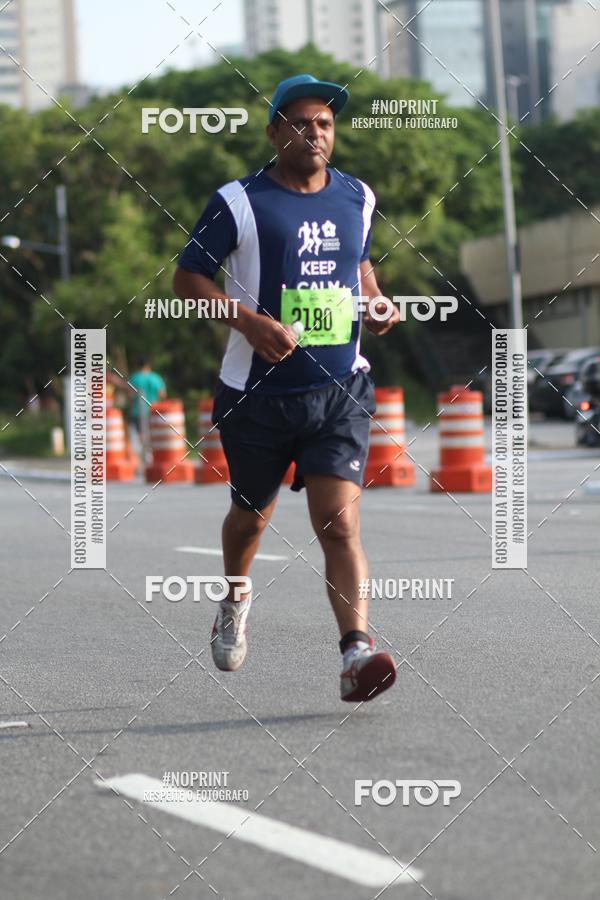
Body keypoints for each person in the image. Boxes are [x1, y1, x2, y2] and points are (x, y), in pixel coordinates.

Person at [173, 74, 400, 702]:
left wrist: (375, 301)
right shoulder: (238, 202)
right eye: (300, 122)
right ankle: (234, 599)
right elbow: (188, 279)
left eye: (324, 123)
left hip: (340, 390)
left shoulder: (357, 197)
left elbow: (359, 263)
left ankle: (356, 652)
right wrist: (248, 321)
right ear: (275, 132)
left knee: (339, 524)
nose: (314, 133)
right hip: (256, 396)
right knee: (250, 520)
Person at [128, 357, 166, 461]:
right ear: (148, 365)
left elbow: (130, 395)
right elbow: (162, 394)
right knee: (153, 434)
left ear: (138, 365)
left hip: (137, 412)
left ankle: (145, 455)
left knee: (141, 434)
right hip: (154, 411)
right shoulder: (156, 378)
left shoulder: (134, 378)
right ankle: (152, 454)